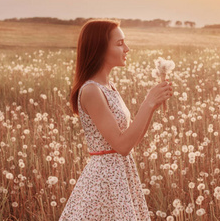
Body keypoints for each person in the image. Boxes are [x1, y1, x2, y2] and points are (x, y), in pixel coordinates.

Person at [59, 18, 173, 220]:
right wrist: (147, 102)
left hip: (120, 174)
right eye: (120, 43)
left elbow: (131, 141)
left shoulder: (109, 87)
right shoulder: (91, 90)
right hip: (105, 180)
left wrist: (152, 107)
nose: (127, 48)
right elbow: (121, 145)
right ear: (99, 48)